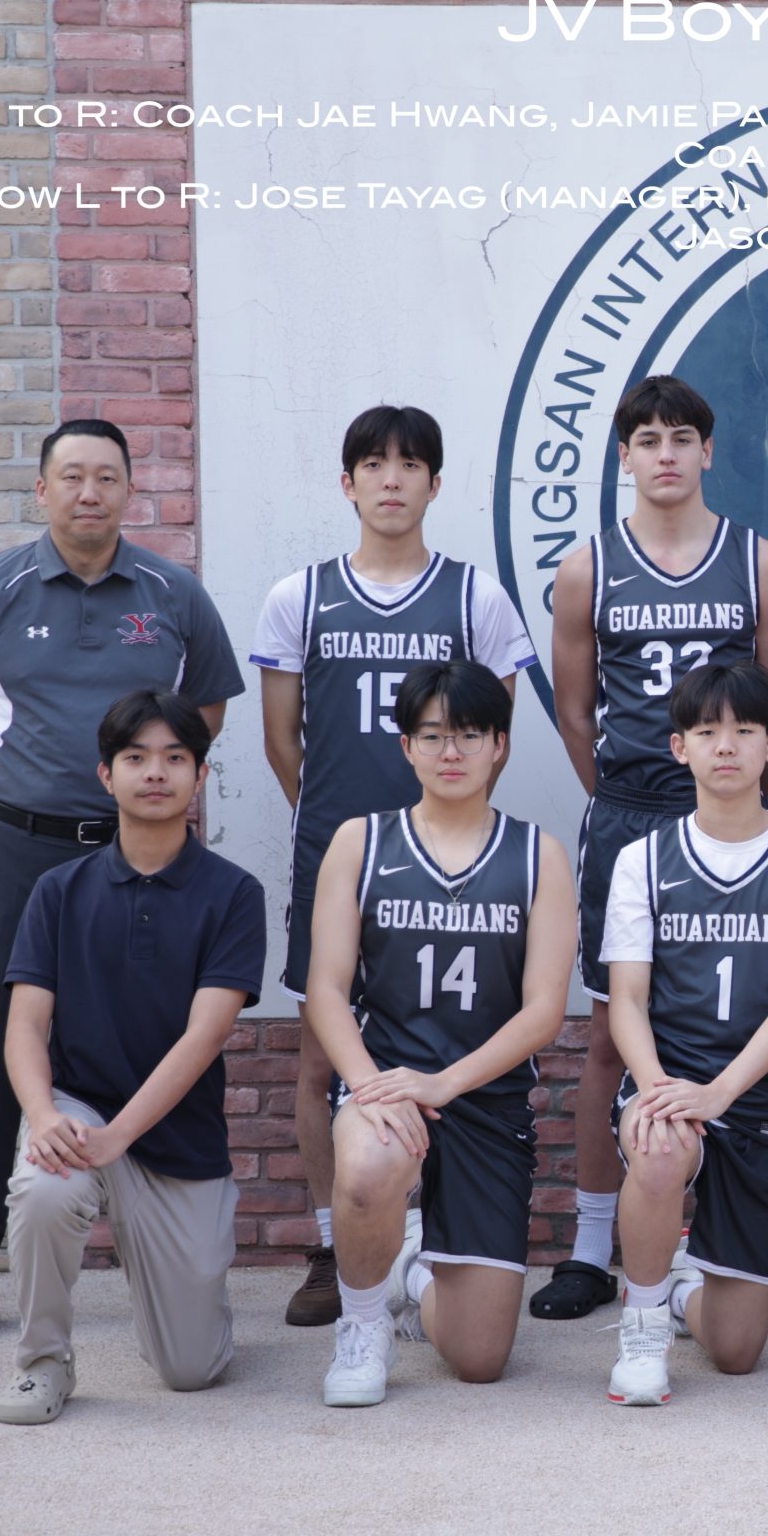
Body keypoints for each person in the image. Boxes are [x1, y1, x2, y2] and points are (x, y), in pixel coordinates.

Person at [0, 419, 245, 1343]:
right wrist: (9, 784)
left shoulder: (174, 595)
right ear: (42, 489)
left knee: (155, 1030)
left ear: (130, 490)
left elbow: (204, 713)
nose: (89, 492)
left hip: (141, 854)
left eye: (106, 477)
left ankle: (160, 1244)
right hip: (17, 850)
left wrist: (140, 799)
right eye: (71, 477)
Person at [250, 404, 535, 1328]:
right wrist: (346, 835)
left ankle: (433, 1237)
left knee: (448, 1031)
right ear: (347, 482)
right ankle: (335, 1244)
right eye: (373, 463)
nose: (391, 479)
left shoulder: (475, 597)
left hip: (446, 856)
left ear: (435, 484)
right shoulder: (300, 595)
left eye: (410, 464)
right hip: (340, 852)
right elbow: (282, 742)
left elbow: (496, 734)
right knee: (319, 1053)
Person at [537, 375, 768, 1323]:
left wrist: (733, 803)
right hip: (631, 812)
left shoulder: (762, 564)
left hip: (735, 818)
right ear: (624, 455)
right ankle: (592, 1246)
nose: (665, 454)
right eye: (647, 439)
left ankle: (760, 1241)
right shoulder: (587, 568)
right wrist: (626, 796)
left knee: (754, 1022)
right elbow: (575, 714)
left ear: (707, 451)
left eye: (681, 437)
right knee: (615, 1034)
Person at [301, 660, 574, 1406]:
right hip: (387, 1081)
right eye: (432, 735)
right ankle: (363, 1326)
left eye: (469, 735)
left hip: (484, 1097)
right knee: (368, 1165)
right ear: (406, 746)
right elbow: (326, 990)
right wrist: (369, 1085)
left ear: (499, 746)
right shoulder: (361, 842)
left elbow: (543, 1011)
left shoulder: (538, 855)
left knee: (480, 1358)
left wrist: (444, 1083)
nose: (450, 751)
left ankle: (408, 1268)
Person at [0, 689, 266, 1424]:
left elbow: (204, 1036)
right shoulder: (58, 891)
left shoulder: (234, 894)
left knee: (190, 1370)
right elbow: (25, 1028)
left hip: (176, 1136)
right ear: (106, 774)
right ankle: (42, 1364)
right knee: (44, 1187)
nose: (155, 772)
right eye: (136, 757)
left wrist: (121, 1136)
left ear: (200, 776)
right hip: (81, 1110)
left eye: (175, 757)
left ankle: (190, 1300)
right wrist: (43, 1116)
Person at [601, 663, 768, 1404]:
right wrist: (658, 1090)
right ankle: (643, 1328)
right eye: (707, 731)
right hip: (669, 1078)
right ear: (680, 747)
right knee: (659, 1143)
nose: (727, 746)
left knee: (737, 1351)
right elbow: (627, 998)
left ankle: (681, 1292)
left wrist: (718, 1094)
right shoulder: (643, 858)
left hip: (757, 1100)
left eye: (745, 730)